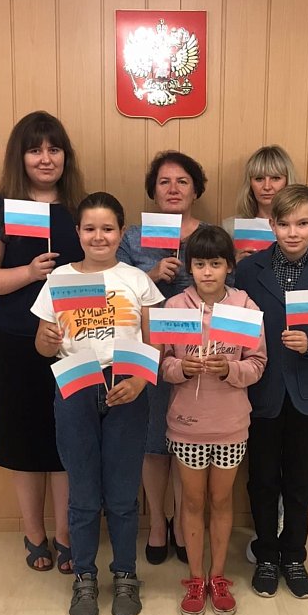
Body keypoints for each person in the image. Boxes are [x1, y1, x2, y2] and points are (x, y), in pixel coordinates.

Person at [32, 192, 164, 615]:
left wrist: (140, 381)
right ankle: (85, 577)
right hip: (75, 383)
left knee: (123, 494)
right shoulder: (60, 279)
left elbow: (155, 342)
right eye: (90, 228)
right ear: (78, 233)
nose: (99, 236)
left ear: (121, 233)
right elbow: (43, 344)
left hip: (126, 384)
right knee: (84, 492)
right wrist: (46, 341)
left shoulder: (137, 280)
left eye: (108, 228)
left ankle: (125, 574)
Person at [0, 111, 85, 573]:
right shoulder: (0, 208)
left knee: (67, 440)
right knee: (23, 440)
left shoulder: (78, 211)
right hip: (15, 341)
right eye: (35, 150)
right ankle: (34, 534)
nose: (45, 158)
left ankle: (65, 534)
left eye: (54, 149)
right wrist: (29, 272)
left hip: (73, 342)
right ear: (20, 157)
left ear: (65, 156)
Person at [235, 184, 308, 599]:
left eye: (302, 224)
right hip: (262, 391)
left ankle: (294, 556)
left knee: (299, 481)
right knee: (263, 478)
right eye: (284, 224)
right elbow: (237, 330)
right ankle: (267, 555)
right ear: (271, 225)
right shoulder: (249, 270)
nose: (292, 232)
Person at [162, 226, 267, 615]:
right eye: (200, 264)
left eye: (216, 264)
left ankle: (218, 576)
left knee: (222, 501)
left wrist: (230, 370)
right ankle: (195, 578)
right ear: (189, 267)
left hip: (230, 425)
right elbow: (160, 362)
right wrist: (180, 368)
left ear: (229, 266)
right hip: (187, 424)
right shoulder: (174, 307)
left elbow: (258, 363)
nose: (208, 272)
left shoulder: (245, 307)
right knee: (192, 501)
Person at [117, 150, 211, 565]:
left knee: (186, 443)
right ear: (153, 191)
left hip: (197, 354)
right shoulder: (134, 238)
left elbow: (229, 290)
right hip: (147, 351)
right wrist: (149, 276)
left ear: (196, 190)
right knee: (153, 442)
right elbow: (113, 289)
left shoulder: (209, 235)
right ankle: (157, 521)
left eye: (182, 181)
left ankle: (183, 523)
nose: (173, 189)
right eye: (164, 182)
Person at [223, 145, 308, 257]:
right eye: (259, 179)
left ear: (287, 181)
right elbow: (216, 265)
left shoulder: (306, 225)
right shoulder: (230, 227)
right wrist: (235, 264)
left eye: (275, 178)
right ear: (250, 184)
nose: (267, 186)